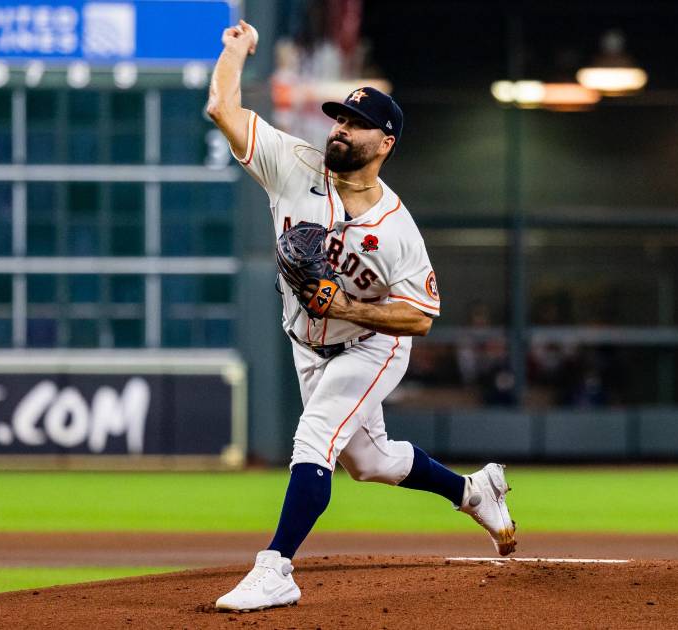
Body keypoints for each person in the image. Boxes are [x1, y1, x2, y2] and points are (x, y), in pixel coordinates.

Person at [206, 20, 517, 612]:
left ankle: (276, 568)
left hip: (370, 346)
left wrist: (347, 306)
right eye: (339, 118)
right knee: (370, 462)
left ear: (385, 142)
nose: (341, 129)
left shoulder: (397, 230)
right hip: (306, 343)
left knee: (315, 436)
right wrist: (236, 50)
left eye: (356, 123)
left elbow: (420, 318)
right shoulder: (293, 165)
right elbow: (223, 107)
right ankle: (474, 491)